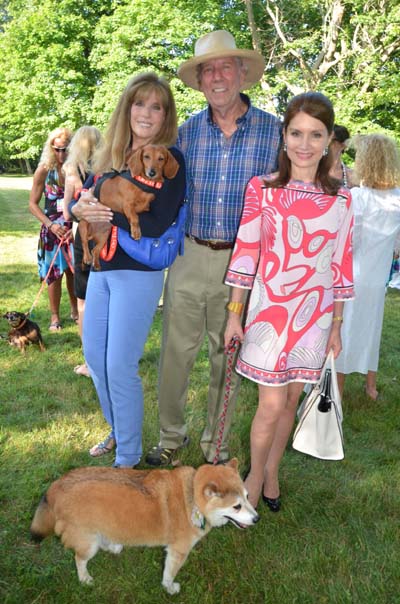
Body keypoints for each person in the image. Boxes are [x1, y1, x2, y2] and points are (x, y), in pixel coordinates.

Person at [145, 30, 281, 467]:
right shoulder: (183, 135)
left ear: (242, 73)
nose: (218, 77)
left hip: (244, 266)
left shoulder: (273, 133)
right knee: (174, 355)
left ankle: (215, 447)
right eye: (209, 70)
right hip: (189, 255)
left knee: (228, 355)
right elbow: (149, 182)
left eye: (226, 67)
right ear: (200, 80)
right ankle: (170, 437)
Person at [224, 92, 354, 509]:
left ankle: (272, 469)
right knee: (271, 402)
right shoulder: (261, 189)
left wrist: (336, 324)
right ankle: (254, 479)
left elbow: (341, 266)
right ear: (284, 135)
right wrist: (234, 314)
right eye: (296, 132)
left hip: (314, 317)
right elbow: (245, 253)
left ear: (329, 138)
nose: (304, 143)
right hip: (268, 314)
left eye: (315, 134)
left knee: (292, 400)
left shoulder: (341, 198)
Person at [69, 73, 186, 468]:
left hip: (137, 272)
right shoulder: (110, 157)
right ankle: (120, 429)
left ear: (166, 115)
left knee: (119, 363)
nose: (146, 113)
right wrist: (77, 209)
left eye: (157, 106)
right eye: (139, 104)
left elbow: (155, 222)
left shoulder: (171, 159)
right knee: (95, 358)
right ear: (127, 108)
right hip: (101, 267)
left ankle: (129, 458)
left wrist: (104, 211)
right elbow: (82, 203)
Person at [336, 134, 400, 401]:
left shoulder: (358, 197)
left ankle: (336, 389)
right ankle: (370, 387)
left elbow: (349, 241)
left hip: (354, 274)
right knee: (372, 327)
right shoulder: (398, 197)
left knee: (343, 329)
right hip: (378, 276)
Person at [63, 125, 104, 377]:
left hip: (84, 237)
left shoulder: (72, 172)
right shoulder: (107, 168)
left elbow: (68, 212)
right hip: (107, 237)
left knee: (84, 302)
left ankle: (89, 362)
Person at [29, 126, 78, 330]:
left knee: (75, 273)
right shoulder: (44, 170)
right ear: (51, 148)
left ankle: (76, 310)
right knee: (53, 274)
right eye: (56, 149)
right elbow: (32, 204)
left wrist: (74, 227)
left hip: (73, 229)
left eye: (65, 149)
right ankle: (55, 317)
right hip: (51, 231)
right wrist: (50, 226)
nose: (61, 154)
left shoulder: (78, 169)